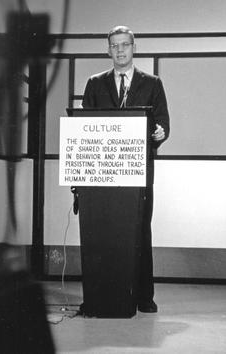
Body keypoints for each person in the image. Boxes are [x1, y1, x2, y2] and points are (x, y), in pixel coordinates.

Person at [81, 25, 170, 313]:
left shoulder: (152, 83)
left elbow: (163, 124)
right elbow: (83, 127)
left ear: (134, 47)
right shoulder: (94, 84)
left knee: (140, 231)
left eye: (125, 45)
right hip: (103, 175)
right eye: (114, 46)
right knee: (102, 232)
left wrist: (160, 132)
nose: (120, 50)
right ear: (109, 50)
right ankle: (101, 293)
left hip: (139, 173)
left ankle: (144, 296)